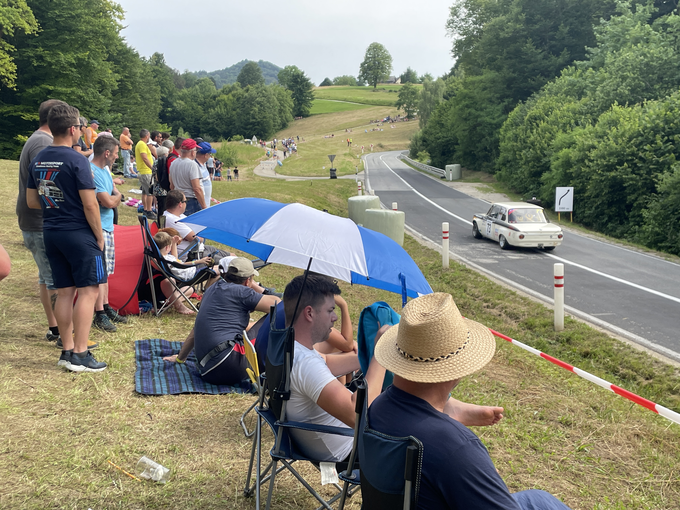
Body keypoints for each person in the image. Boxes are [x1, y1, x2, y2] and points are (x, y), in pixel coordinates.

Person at [370, 293, 571, 510]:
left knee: (538, 499)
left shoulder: (377, 408)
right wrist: (483, 475)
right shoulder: (456, 448)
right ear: (457, 367)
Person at [26, 103, 107, 373]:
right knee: (89, 290)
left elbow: (32, 201)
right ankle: (81, 354)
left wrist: (56, 204)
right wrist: (99, 235)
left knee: (64, 292)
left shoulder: (39, 158)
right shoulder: (77, 160)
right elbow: (90, 204)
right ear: (73, 129)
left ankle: (67, 349)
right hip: (79, 233)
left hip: (51, 231)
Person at [163, 258, 281, 385]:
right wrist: (259, 289)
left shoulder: (212, 289)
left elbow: (196, 328)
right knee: (278, 315)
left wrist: (181, 358)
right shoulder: (243, 292)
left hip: (207, 370)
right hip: (229, 365)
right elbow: (279, 305)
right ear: (248, 280)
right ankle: (277, 367)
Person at [17, 99, 67, 346]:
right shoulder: (43, 143)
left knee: (45, 276)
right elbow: (46, 185)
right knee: (54, 278)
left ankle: (54, 328)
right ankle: (61, 335)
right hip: (39, 221)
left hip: (36, 220)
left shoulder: (39, 140)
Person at [91, 136, 128, 332]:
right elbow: (108, 201)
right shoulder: (94, 172)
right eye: (115, 153)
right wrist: (118, 197)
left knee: (105, 272)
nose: (116, 156)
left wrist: (116, 196)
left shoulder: (104, 170)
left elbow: (113, 191)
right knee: (99, 272)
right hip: (99, 227)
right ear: (106, 153)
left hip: (107, 226)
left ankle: (105, 307)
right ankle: (99, 314)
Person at [162, 190, 231, 263]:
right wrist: (197, 234)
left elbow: (196, 234)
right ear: (180, 204)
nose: (186, 203)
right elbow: (197, 239)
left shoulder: (178, 215)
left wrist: (193, 235)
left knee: (231, 256)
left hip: (199, 249)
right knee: (229, 262)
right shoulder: (173, 220)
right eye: (185, 201)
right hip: (192, 254)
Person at [168, 139, 206, 214]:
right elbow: (197, 188)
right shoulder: (192, 164)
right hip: (191, 201)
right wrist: (204, 207)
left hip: (179, 200)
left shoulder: (173, 163)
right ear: (192, 152)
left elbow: (172, 186)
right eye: (195, 150)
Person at [135, 129, 156, 219]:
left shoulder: (140, 144)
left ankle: (145, 208)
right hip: (146, 171)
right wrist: (152, 167)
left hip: (143, 171)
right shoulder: (142, 145)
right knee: (150, 192)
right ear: (147, 135)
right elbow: (144, 158)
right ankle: (148, 210)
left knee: (145, 191)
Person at [196, 141, 216, 207]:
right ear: (206, 155)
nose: (210, 156)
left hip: (205, 204)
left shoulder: (203, 164)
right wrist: (204, 206)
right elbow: (197, 189)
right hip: (200, 206)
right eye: (210, 154)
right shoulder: (196, 167)